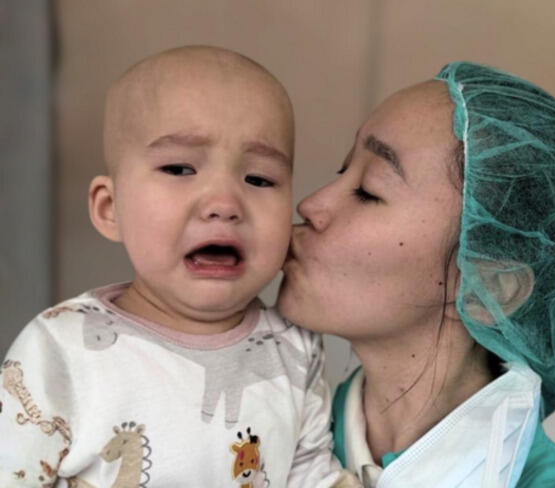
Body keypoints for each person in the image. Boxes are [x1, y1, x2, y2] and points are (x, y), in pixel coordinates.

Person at [0, 46, 348, 488]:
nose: (224, 203)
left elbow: (311, 471)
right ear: (110, 208)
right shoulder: (60, 349)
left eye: (259, 179)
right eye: (180, 169)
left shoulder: (293, 347)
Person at [278, 61, 555, 487]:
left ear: (486, 288)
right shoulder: (262, 441)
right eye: (343, 170)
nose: (310, 205)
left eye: (368, 190)